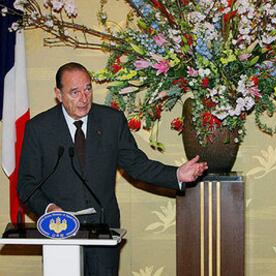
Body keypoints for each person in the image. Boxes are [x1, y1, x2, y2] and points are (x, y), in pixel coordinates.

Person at [17, 62, 208, 276]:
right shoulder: (39, 128)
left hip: (103, 230)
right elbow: (27, 185)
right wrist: (50, 209)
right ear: (58, 94)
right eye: (75, 92)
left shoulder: (111, 121)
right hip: (60, 231)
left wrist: (176, 174)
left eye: (88, 89)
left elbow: (137, 165)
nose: (84, 98)